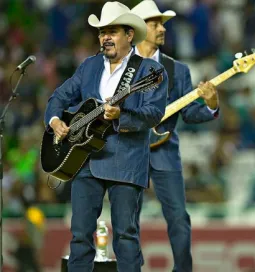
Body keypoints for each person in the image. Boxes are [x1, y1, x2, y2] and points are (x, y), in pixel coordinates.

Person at [44, 2, 168, 271]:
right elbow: (59, 96)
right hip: (85, 159)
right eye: (101, 32)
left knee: (125, 236)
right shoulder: (89, 66)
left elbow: (154, 113)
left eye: (111, 31)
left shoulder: (148, 71)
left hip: (126, 161)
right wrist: (55, 121)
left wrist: (119, 115)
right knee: (79, 237)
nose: (105, 37)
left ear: (129, 35)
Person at [130, 1, 219, 271]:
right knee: (126, 220)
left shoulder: (177, 70)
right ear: (137, 29)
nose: (162, 29)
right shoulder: (118, 67)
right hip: (129, 150)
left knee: (179, 217)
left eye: (162, 24)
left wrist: (211, 105)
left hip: (165, 148)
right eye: (154, 24)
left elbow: (191, 113)